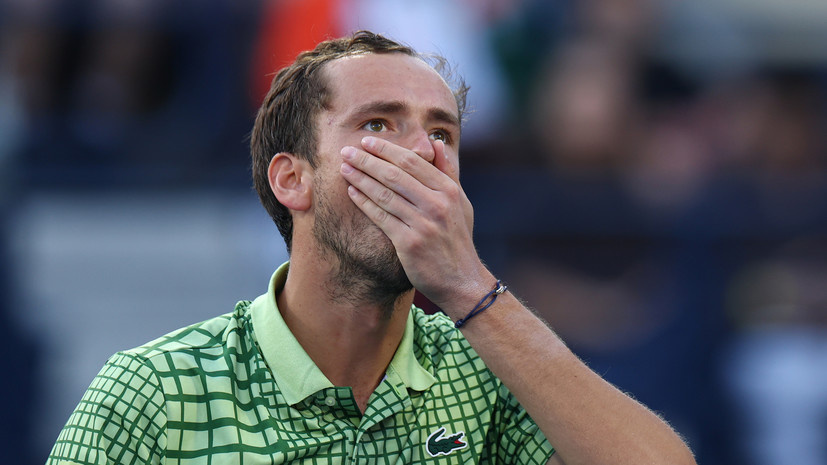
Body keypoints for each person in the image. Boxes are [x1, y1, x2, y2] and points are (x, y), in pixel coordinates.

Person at [47, 31, 696, 465]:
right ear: (291, 177)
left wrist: (472, 290)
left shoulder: (483, 375)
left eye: (441, 132)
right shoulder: (156, 392)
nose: (422, 153)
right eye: (378, 124)